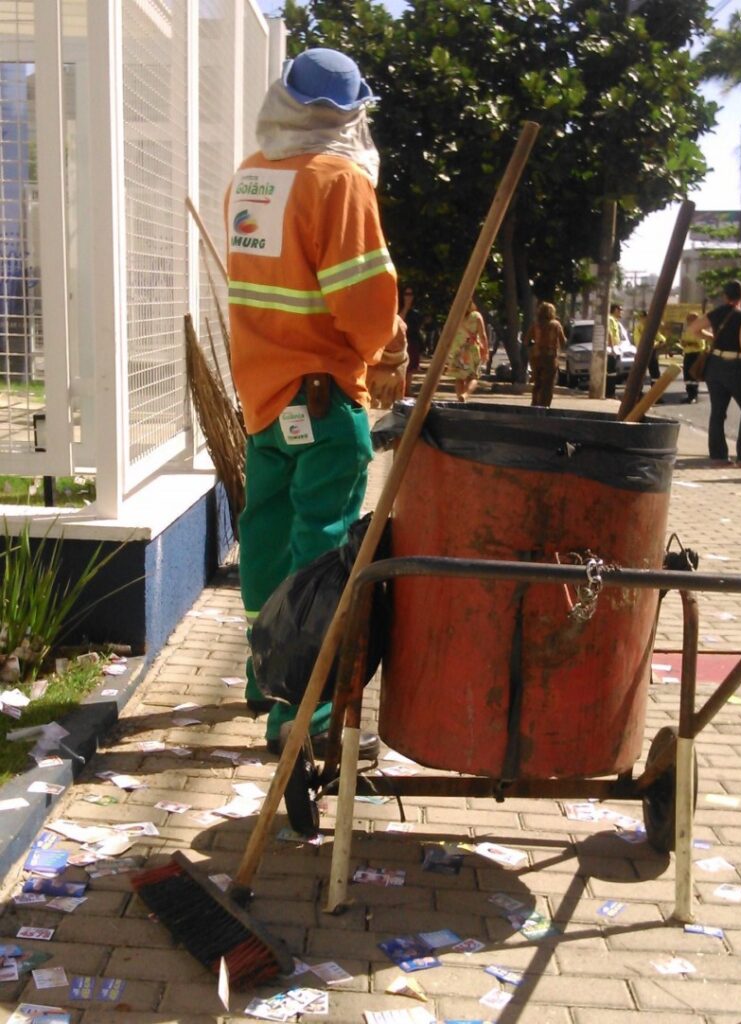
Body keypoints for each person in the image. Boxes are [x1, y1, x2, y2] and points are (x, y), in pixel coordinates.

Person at [224, 47, 406, 756]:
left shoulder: (251, 178)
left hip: (264, 398)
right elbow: (364, 304)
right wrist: (389, 348)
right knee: (322, 550)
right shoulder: (338, 180)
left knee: (266, 536)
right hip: (324, 402)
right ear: (352, 114)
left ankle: (262, 672)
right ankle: (307, 712)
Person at [688, 280, 741, 467]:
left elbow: (694, 328)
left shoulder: (717, 313)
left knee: (718, 412)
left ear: (725, 296)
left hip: (715, 365)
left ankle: (718, 456)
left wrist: (712, 337)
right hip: (736, 366)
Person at [523, 301, 565, 407]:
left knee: (537, 383)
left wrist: (534, 345)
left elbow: (526, 341)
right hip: (550, 357)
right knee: (548, 384)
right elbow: (563, 341)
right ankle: (544, 406)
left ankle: (534, 404)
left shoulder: (535, 325)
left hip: (536, 357)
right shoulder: (556, 325)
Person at [445, 300, 488, 401]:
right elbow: (483, 335)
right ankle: (465, 395)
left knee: (459, 377)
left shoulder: (455, 317)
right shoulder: (476, 316)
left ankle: (460, 399)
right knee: (473, 377)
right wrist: (486, 351)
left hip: (457, 349)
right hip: (472, 349)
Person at [680, 311, 709, 404]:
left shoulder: (699, 330)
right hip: (687, 354)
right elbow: (683, 341)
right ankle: (689, 394)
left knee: (693, 375)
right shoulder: (686, 330)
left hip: (696, 354)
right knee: (687, 375)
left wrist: (688, 343)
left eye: (691, 319)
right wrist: (683, 343)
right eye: (688, 319)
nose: (689, 321)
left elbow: (701, 345)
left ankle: (694, 396)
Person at [399, 284, 423, 395]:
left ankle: (407, 390)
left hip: (412, 341)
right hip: (400, 341)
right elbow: (399, 322)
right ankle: (400, 390)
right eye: (406, 294)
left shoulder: (416, 312)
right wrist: (406, 307)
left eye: (411, 294)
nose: (409, 297)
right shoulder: (398, 309)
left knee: (410, 368)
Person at [633, 309, 666, 380]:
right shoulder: (639, 327)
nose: (640, 319)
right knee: (641, 373)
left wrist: (659, 343)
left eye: (642, 317)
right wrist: (656, 344)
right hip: (643, 351)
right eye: (640, 318)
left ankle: (654, 385)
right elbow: (639, 342)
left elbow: (660, 338)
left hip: (648, 352)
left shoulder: (649, 326)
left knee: (654, 372)